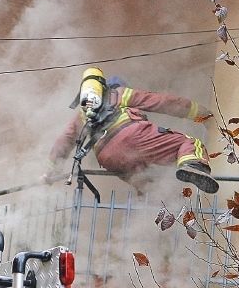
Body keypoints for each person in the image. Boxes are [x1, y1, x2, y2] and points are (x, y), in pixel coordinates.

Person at [44, 67, 218, 194]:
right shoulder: (119, 93)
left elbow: (64, 141)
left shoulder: (81, 115)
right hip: (132, 137)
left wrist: (50, 171)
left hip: (107, 157)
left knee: (148, 184)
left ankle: (152, 212)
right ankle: (192, 166)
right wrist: (202, 114)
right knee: (189, 144)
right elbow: (163, 102)